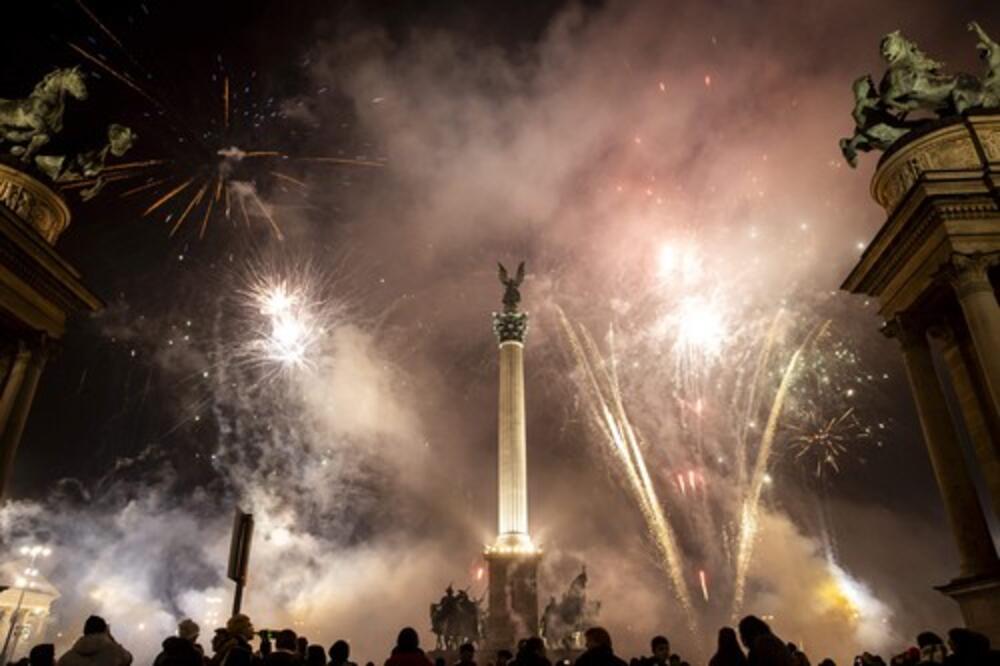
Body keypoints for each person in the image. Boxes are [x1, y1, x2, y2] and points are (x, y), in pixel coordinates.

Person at [57, 615, 133, 666]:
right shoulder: (115, 654)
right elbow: (129, 658)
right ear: (104, 631)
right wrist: (110, 637)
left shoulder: (66, 659)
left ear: (85, 631)